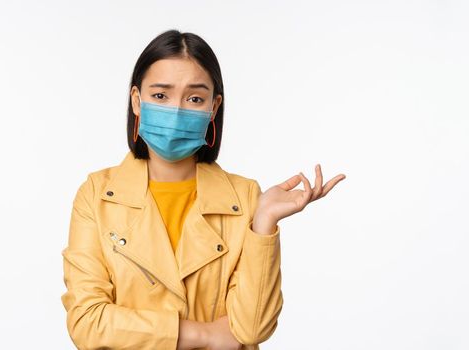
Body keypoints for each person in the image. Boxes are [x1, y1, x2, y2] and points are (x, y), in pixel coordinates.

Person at [60, 29, 346, 350]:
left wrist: (263, 223)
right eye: (160, 96)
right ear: (137, 102)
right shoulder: (97, 195)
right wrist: (203, 335)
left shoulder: (246, 197)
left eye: (195, 98)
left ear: (213, 107)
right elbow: (86, 321)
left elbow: (251, 329)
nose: (177, 110)